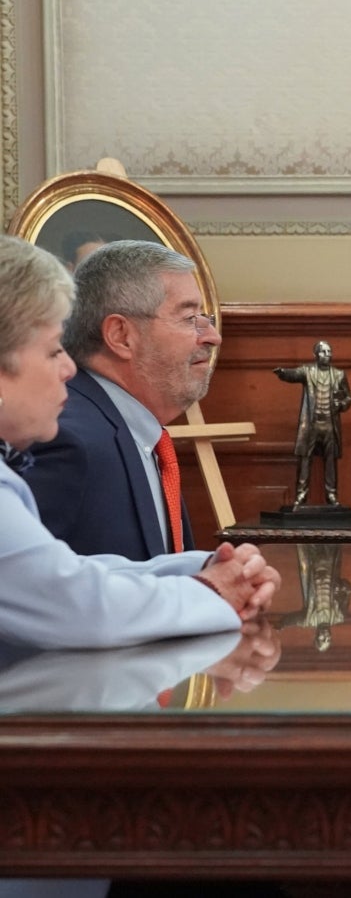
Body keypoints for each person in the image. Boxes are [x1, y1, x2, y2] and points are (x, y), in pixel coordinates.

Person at [0, 234, 279, 650]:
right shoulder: (72, 439)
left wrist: (206, 569)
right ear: (121, 336)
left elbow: (62, 571)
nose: (67, 369)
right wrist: (213, 591)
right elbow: (70, 602)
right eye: (53, 350)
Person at [23, 240, 220, 559]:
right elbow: (23, 589)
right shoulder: (69, 442)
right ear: (120, 336)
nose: (212, 336)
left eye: (204, 318)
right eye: (189, 319)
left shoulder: (138, 432)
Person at [273, 341, 351, 507]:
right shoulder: (308, 371)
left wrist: (341, 405)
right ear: (316, 355)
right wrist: (282, 373)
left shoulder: (339, 374)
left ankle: (331, 494)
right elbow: (293, 374)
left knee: (330, 460)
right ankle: (301, 495)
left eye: (329, 351)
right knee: (305, 459)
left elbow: (348, 397)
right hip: (311, 424)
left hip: (330, 424)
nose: (327, 355)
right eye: (323, 352)